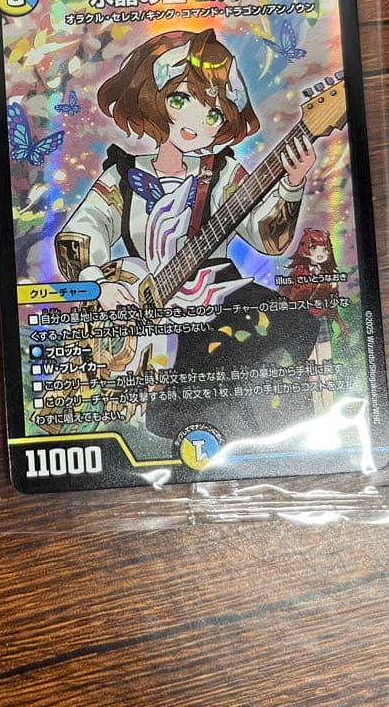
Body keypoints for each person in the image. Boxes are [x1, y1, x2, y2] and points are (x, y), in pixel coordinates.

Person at [54, 27, 319, 440]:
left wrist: (292, 184)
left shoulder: (225, 173)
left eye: (213, 114)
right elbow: (78, 235)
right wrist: (98, 284)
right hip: (149, 315)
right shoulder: (123, 175)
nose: (196, 123)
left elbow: (269, 239)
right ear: (151, 98)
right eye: (181, 100)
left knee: (293, 325)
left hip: (221, 296)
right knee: (170, 413)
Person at [280, 228, 346, 413]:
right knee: (312, 370)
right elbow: (289, 297)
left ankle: (330, 407)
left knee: (326, 367)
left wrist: (339, 320)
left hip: (322, 319)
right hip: (304, 321)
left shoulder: (328, 273)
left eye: (325, 249)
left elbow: (333, 303)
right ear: (306, 248)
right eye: (315, 247)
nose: (321, 253)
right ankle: (318, 407)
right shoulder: (298, 272)